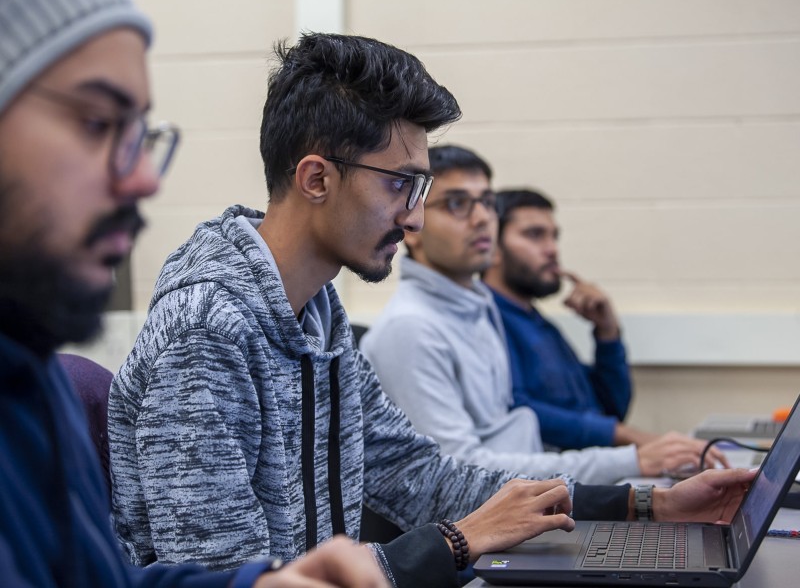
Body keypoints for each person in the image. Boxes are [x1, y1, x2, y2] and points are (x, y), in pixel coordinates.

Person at [108, 35, 752, 588]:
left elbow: (416, 473)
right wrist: (456, 544)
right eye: (400, 184)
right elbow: (229, 575)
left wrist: (645, 506)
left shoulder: (317, 315)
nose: (414, 218)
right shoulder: (206, 332)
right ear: (316, 178)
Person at [0, 0, 389, 586]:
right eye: (96, 122)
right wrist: (445, 546)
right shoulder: (204, 324)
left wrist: (255, 585)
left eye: (139, 134)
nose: (144, 178)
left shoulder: (29, 371)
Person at [361, 144, 725, 485]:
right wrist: (630, 462)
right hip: (487, 520)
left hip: (522, 503)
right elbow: (457, 477)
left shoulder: (475, 311)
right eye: (457, 204)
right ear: (413, 228)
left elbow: (587, 414)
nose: (483, 218)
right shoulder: (410, 330)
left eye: (487, 202)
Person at [482, 188, 668, 450]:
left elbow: (611, 409)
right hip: (546, 472)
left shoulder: (539, 324)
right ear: (491, 246)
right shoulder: (485, 319)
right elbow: (514, 409)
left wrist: (607, 334)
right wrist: (623, 435)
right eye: (535, 235)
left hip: (591, 464)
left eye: (554, 237)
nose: (552, 249)